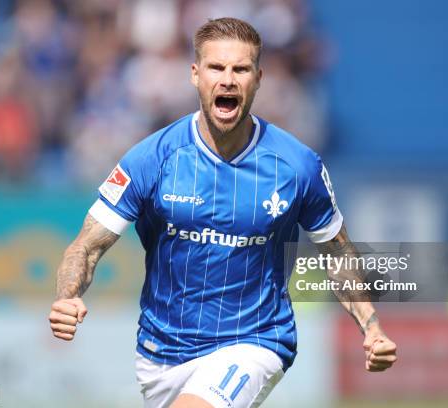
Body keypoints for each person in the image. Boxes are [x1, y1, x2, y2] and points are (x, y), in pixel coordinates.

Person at [48, 17, 397, 408]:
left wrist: (371, 327)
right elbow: (87, 246)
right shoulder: (151, 159)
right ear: (196, 75)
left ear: (259, 78)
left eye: (241, 69)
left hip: (255, 341)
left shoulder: (297, 166)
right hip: (160, 353)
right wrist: (67, 296)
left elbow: (339, 256)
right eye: (216, 67)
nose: (228, 79)